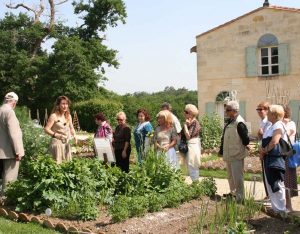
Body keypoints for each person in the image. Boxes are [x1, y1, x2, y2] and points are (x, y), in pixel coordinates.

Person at [219, 101, 249, 203]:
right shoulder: (230, 121)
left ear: (234, 111)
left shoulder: (239, 122)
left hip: (236, 154)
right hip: (229, 154)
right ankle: (233, 194)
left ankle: (240, 198)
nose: (225, 111)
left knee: (237, 177)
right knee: (230, 176)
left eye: (227, 110)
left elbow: (246, 139)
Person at [260, 105, 287, 214]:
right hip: (269, 157)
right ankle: (276, 208)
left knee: (276, 182)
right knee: (270, 182)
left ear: (274, 115)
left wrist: (264, 150)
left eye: (269, 112)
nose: (267, 114)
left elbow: (275, 141)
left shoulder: (278, 125)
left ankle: (281, 210)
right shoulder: (271, 125)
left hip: (275, 158)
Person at [0, 92, 24, 196]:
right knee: (9, 179)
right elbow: (14, 134)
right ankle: (5, 203)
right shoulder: (9, 112)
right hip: (9, 152)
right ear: (14, 102)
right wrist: (18, 151)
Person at [44, 96, 77, 164]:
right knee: (57, 165)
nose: (65, 106)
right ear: (58, 105)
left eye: (66, 104)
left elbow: (71, 128)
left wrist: (75, 135)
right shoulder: (54, 116)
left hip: (66, 144)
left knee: (66, 165)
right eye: (63, 104)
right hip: (57, 145)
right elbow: (46, 129)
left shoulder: (68, 116)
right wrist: (56, 135)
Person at [282, 105, 298, 211]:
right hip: (281, 155)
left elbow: (285, 134)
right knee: (282, 180)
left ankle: (289, 205)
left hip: (287, 155)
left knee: (287, 180)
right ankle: (284, 204)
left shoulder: (290, 124)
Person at [256, 101, 272, 199]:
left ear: (267, 110)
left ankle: (270, 195)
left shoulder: (268, 121)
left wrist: (261, 133)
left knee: (268, 173)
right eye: (258, 109)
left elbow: (268, 136)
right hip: (262, 148)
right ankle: (268, 194)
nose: (259, 111)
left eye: (261, 109)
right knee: (265, 173)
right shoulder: (262, 121)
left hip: (267, 150)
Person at [182, 104, 201, 181]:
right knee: (190, 164)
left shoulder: (195, 123)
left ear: (191, 113)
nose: (184, 113)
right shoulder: (190, 122)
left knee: (193, 163)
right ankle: (195, 184)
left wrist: (185, 125)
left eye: (186, 112)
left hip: (193, 145)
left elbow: (188, 136)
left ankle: (196, 184)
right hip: (190, 144)